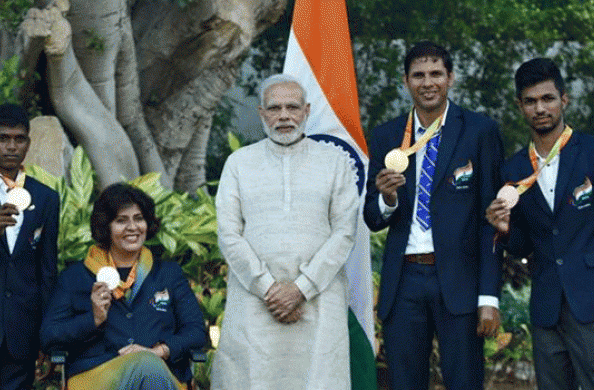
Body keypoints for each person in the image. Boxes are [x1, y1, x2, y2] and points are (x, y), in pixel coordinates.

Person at [363, 41, 504, 390]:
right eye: (418, 75)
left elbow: (493, 219)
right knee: (404, 382)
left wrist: (489, 296)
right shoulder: (385, 135)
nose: (428, 82)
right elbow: (372, 217)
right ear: (405, 81)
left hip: (459, 279)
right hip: (405, 279)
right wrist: (388, 198)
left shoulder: (479, 131)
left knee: (464, 381)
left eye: (436, 74)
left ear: (451, 78)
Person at [210, 74, 360, 389]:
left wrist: (300, 289)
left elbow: (345, 232)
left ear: (306, 111)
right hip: (255, 301)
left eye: (292, 107)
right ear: (262, 114)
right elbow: (229, 234)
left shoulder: (334, 162)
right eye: (274, 108)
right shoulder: (239, 163)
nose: (284, 116)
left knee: (319, 378)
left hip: (318, 298)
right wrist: (268, 289)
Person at [486, 58, 594, 390]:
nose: (540, 108)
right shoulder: (513, 169)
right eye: (531, 101)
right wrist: (503, 228)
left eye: (547, 98)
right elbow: (521, 246)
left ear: (564, 99)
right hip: (546, 305)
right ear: (520, 106)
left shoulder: (590, 152)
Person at [40, 183, 206, 389]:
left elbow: (196, 332)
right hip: (97, 375)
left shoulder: (168, 274)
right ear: (106, 226)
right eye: (121, 220)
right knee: (146, 366)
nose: (132, 227)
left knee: (148, 365)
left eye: (139, 219)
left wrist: (160, 351)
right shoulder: (76, 277)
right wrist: (93, 319)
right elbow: (49, 337)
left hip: (161, 374)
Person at [0, 103, 60, 390]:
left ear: (28, 144)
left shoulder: (46, 198)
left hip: (22, 335)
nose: (11, 147)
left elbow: (47, 271)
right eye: (3, 138)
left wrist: (47, 336)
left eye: (19, 139)